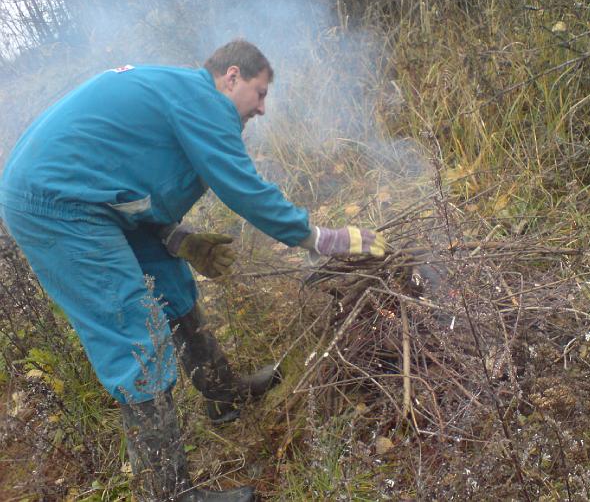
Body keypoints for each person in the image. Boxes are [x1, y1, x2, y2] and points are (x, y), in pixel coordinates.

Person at [0, 39, 385, 501]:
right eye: (260, 93)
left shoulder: (181, 99)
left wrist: (179, 239)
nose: (262, 109)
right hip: (57, 206)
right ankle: (169, 493)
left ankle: (222, 393)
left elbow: (134, 186)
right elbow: (242, 187)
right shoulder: (204, 102)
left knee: (169, 279)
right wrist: (323, 239)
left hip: (89, 198)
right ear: (232, 77)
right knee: (132, 330)